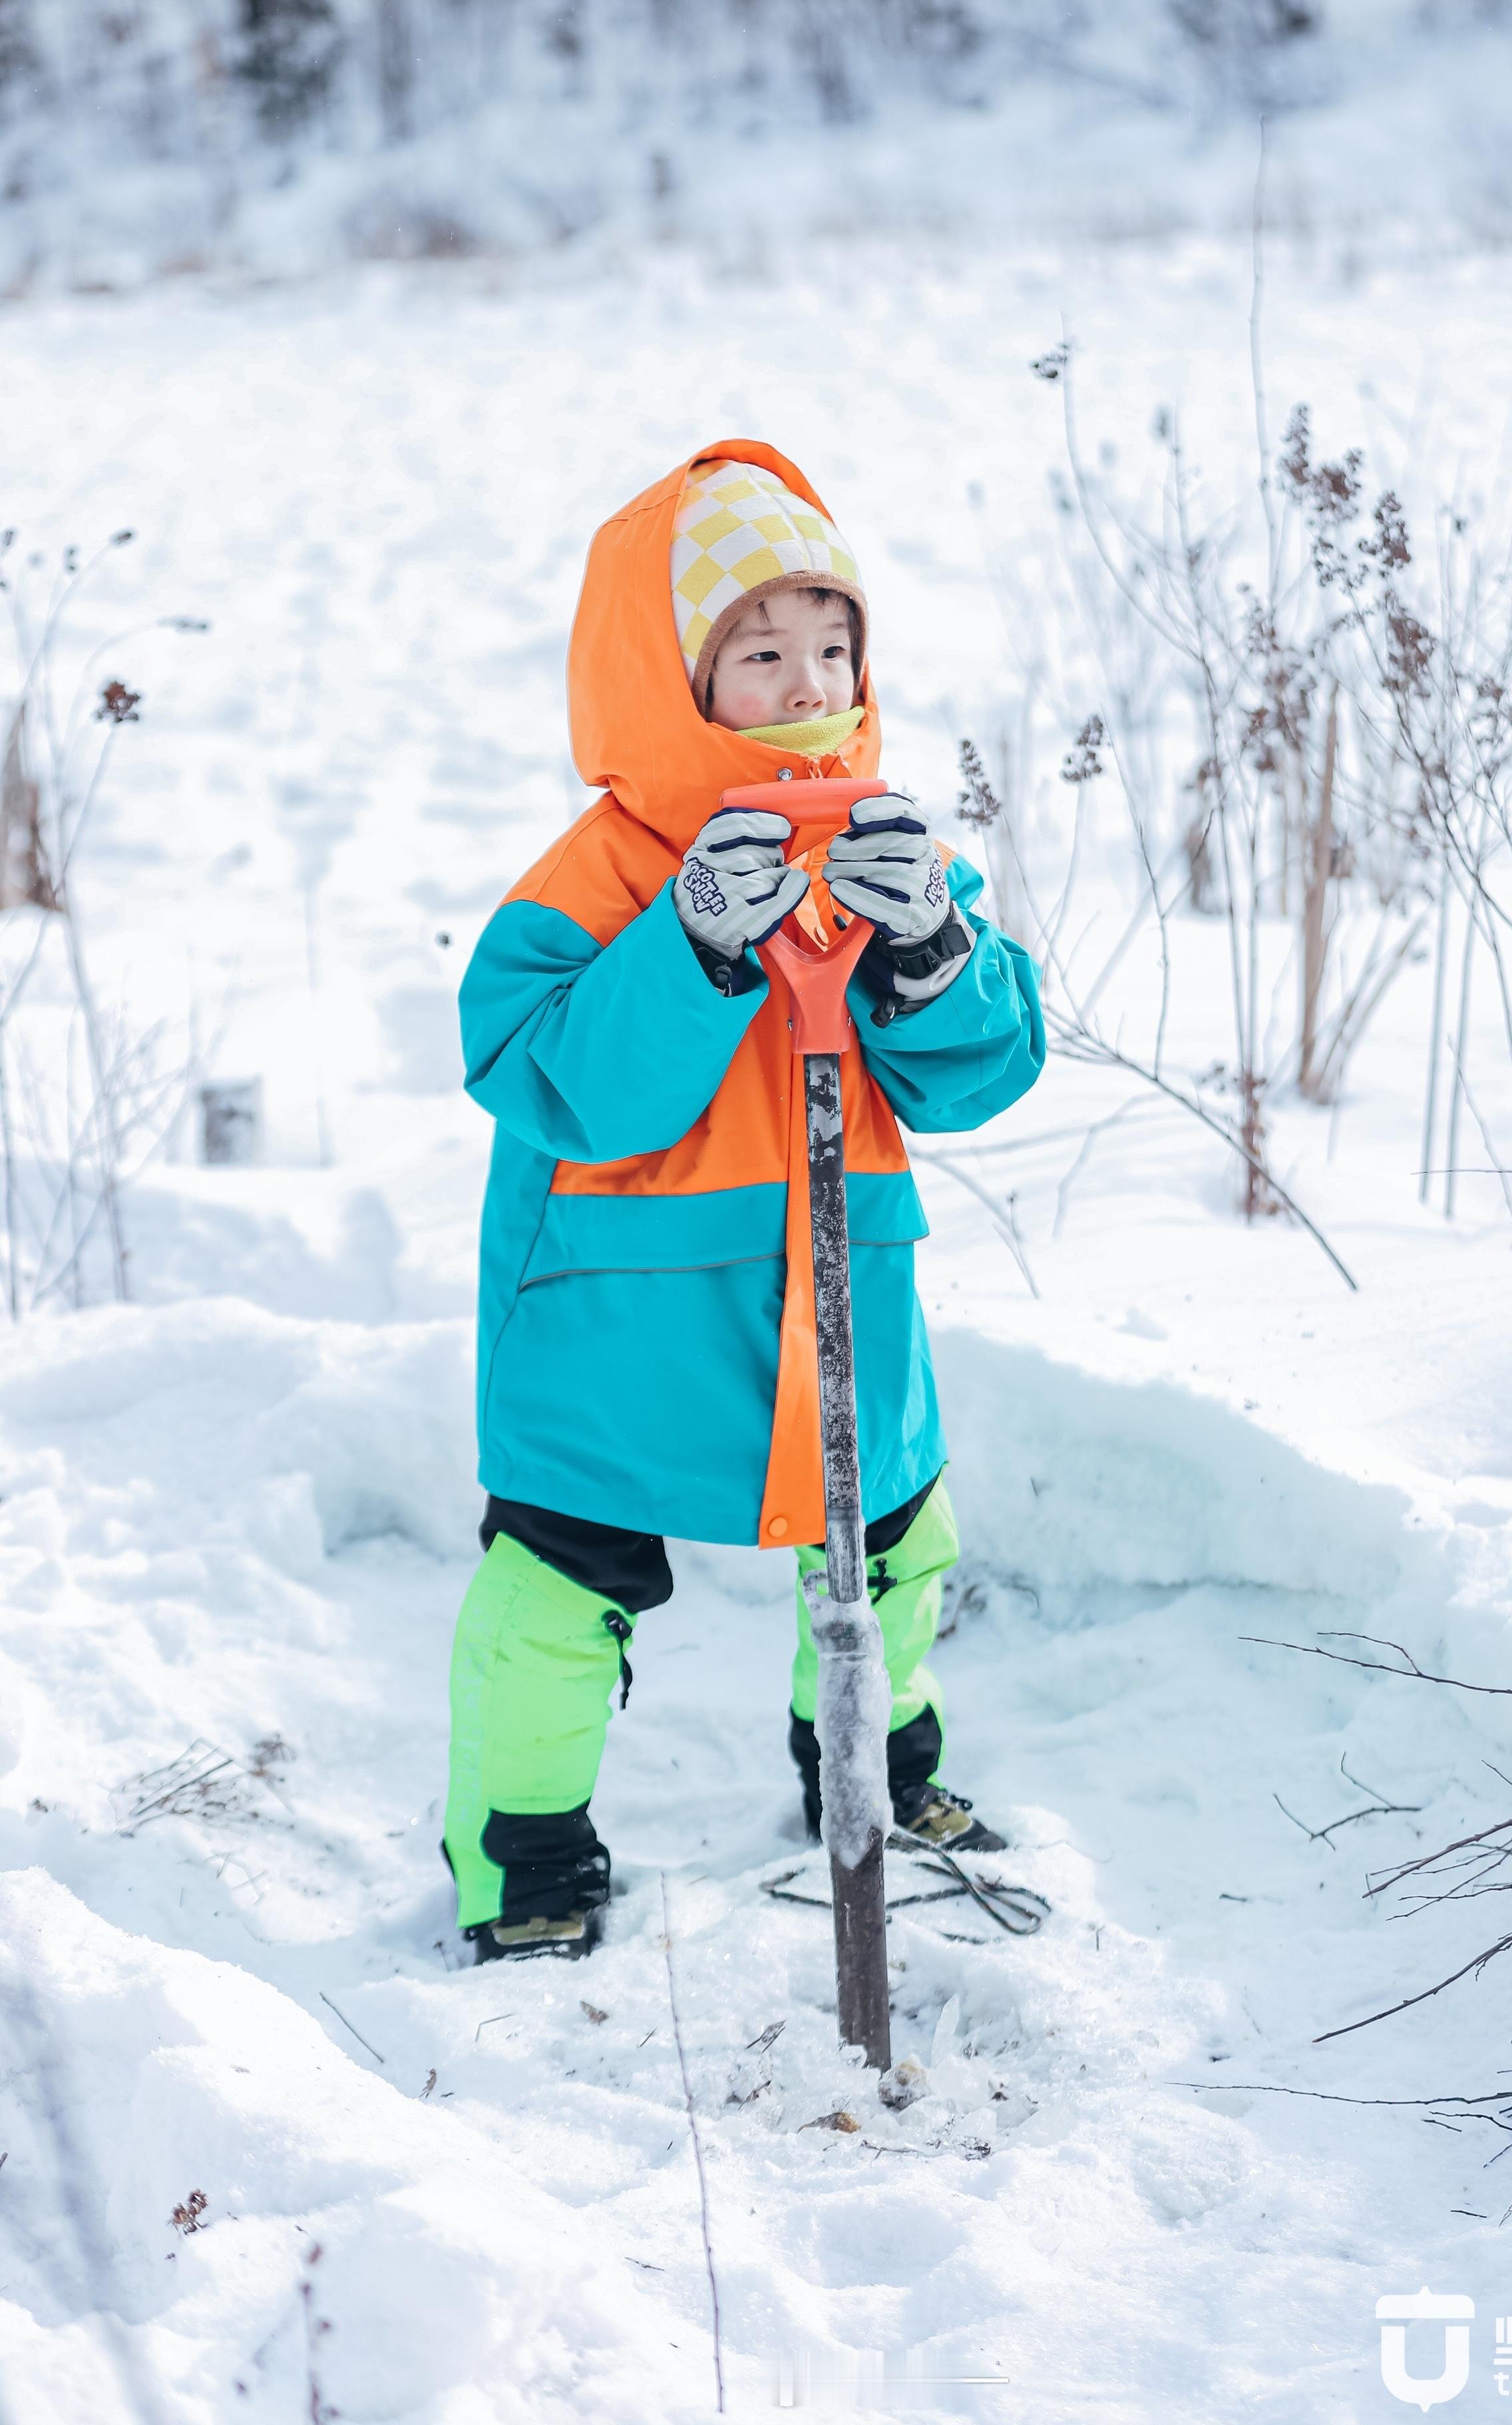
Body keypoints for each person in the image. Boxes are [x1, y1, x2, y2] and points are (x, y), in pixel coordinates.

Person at [443, 443, 1045, 1961]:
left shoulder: (884, 846)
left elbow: (978, 1075)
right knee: (558, 1590)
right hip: (614, 1306)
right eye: (758, 652)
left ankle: (872, 1777)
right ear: (670, 676)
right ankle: (522, 1856)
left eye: (829, 642)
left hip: (843, 1280)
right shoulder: (596, 873)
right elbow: (557, 1079)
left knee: (889, 1546)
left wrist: (928, 951)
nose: (805, 681)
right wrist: (692, 943)